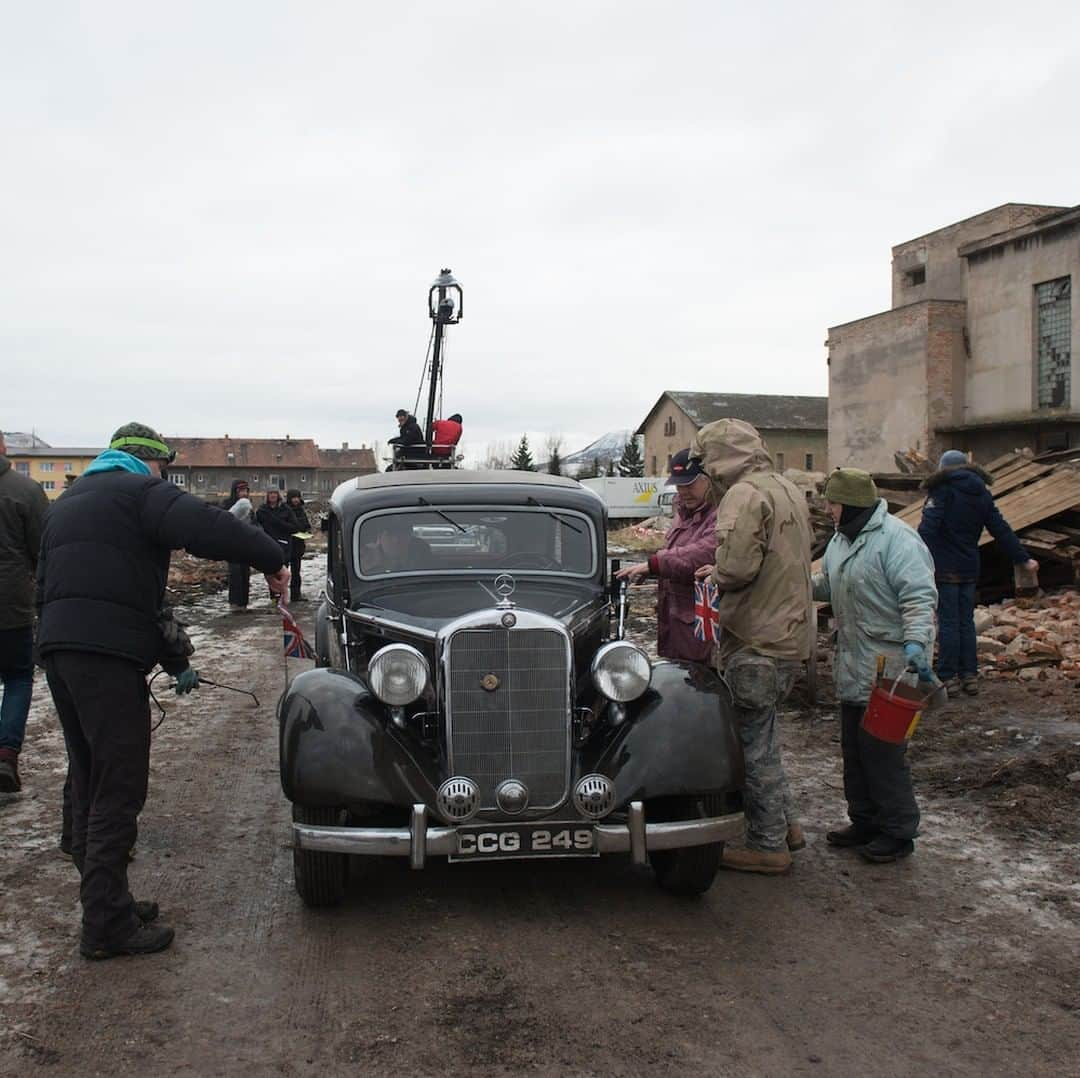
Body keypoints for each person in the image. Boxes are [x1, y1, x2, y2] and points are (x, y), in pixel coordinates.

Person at [37, 422, 289, 959]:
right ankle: (106, 926)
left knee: (87, 772)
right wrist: (273, 557)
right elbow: (211, 527)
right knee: (117, 786)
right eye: (164, 467)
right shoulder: (141, 492)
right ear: (150, 461)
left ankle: (109, 899)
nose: (165, 475)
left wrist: (173, 659)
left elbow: (68, 584)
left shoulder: (71, 500)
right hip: (105, 657)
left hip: (60, 650)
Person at [690, 419, 814, 875]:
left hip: (757, 637)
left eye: (706, 460)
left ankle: (766, 845)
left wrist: (715, 572)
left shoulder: (744, 494)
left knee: (750, 746)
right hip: (789, 634)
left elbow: (739, 566)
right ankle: (787, 828)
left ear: (720, 455)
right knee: (766, 737)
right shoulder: (786, 487)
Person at [813, 468, 937, 863]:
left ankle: (898, 831)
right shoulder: (840, 541)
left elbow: (918, 596)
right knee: (854, 747)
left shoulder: (897, 540)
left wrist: (917, 642)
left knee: (883, 751)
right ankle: (864, 820)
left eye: (832, 503)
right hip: (854, 661)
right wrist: (789, 580)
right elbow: (827, 585)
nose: (828, 510)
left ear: (848, 503)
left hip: (894, 667)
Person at [918, 450, 1039, 697]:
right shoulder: (981, 493)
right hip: (969, 568)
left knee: (948, 623)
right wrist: (1023, 559)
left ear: (943, 469)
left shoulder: (942, 490)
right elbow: (1000, 529)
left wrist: (915, 557)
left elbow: (928, 530)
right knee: (965, 622)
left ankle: (947, 677)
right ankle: (969, 676)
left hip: (944, 569)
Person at [615, 448, 717, 664]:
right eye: (679, 485)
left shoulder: (720, 514)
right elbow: (676, 553)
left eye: (689, 484)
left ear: (709, 479)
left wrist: (655, 564)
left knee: (698, 688)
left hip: (701, 628)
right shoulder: (683, 513)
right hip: (675, 623)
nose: (683, 491)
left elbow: (705, 552)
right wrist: (654, 571)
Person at [0, 430, 50, 792]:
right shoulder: (25, 490)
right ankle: (5, 755)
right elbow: (43, 551)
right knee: (17, 678)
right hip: (11, 603)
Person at [256, 488, 299, 599]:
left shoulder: (286, 509)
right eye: (270, 493)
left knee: (282, 572)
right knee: (270, 572)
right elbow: (256, 526)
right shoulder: (262, 510)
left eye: (275, 493)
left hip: (283, 545)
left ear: (278, 495)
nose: (273, 495)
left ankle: (282, 596)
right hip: (267, 545)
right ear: (267, 495)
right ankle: (274, 597)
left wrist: (278, 523)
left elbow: (295, 527)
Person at [222, 479, 254, 612]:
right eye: (241, 491)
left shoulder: (249, 506)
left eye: (246, 491)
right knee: (235, 574)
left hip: (246, 544)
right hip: (232, 544)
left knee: (245, 573)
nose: (244, 493)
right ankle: (234, 603)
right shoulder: (227, 504)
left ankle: (243, 603)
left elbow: (254, 523)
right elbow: (222, 521)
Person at [359, 517, 430, 574]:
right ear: (379, 538)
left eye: (402, 534)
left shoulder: (422, 560)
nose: (396, 540)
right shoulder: (364, 562)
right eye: (390, 534)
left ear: (410, 537)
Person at [285, 489, 311, 603]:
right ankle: (282, 596)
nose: (295, 500)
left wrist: (305, 530)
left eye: (297, 497)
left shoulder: (301, 510)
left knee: (296, 572)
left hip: (298, 544)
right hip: (287, 544)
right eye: (293, 497)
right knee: (284, 572)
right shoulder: (285, 510)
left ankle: (296, 595)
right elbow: (288, 526)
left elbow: (305, 525)